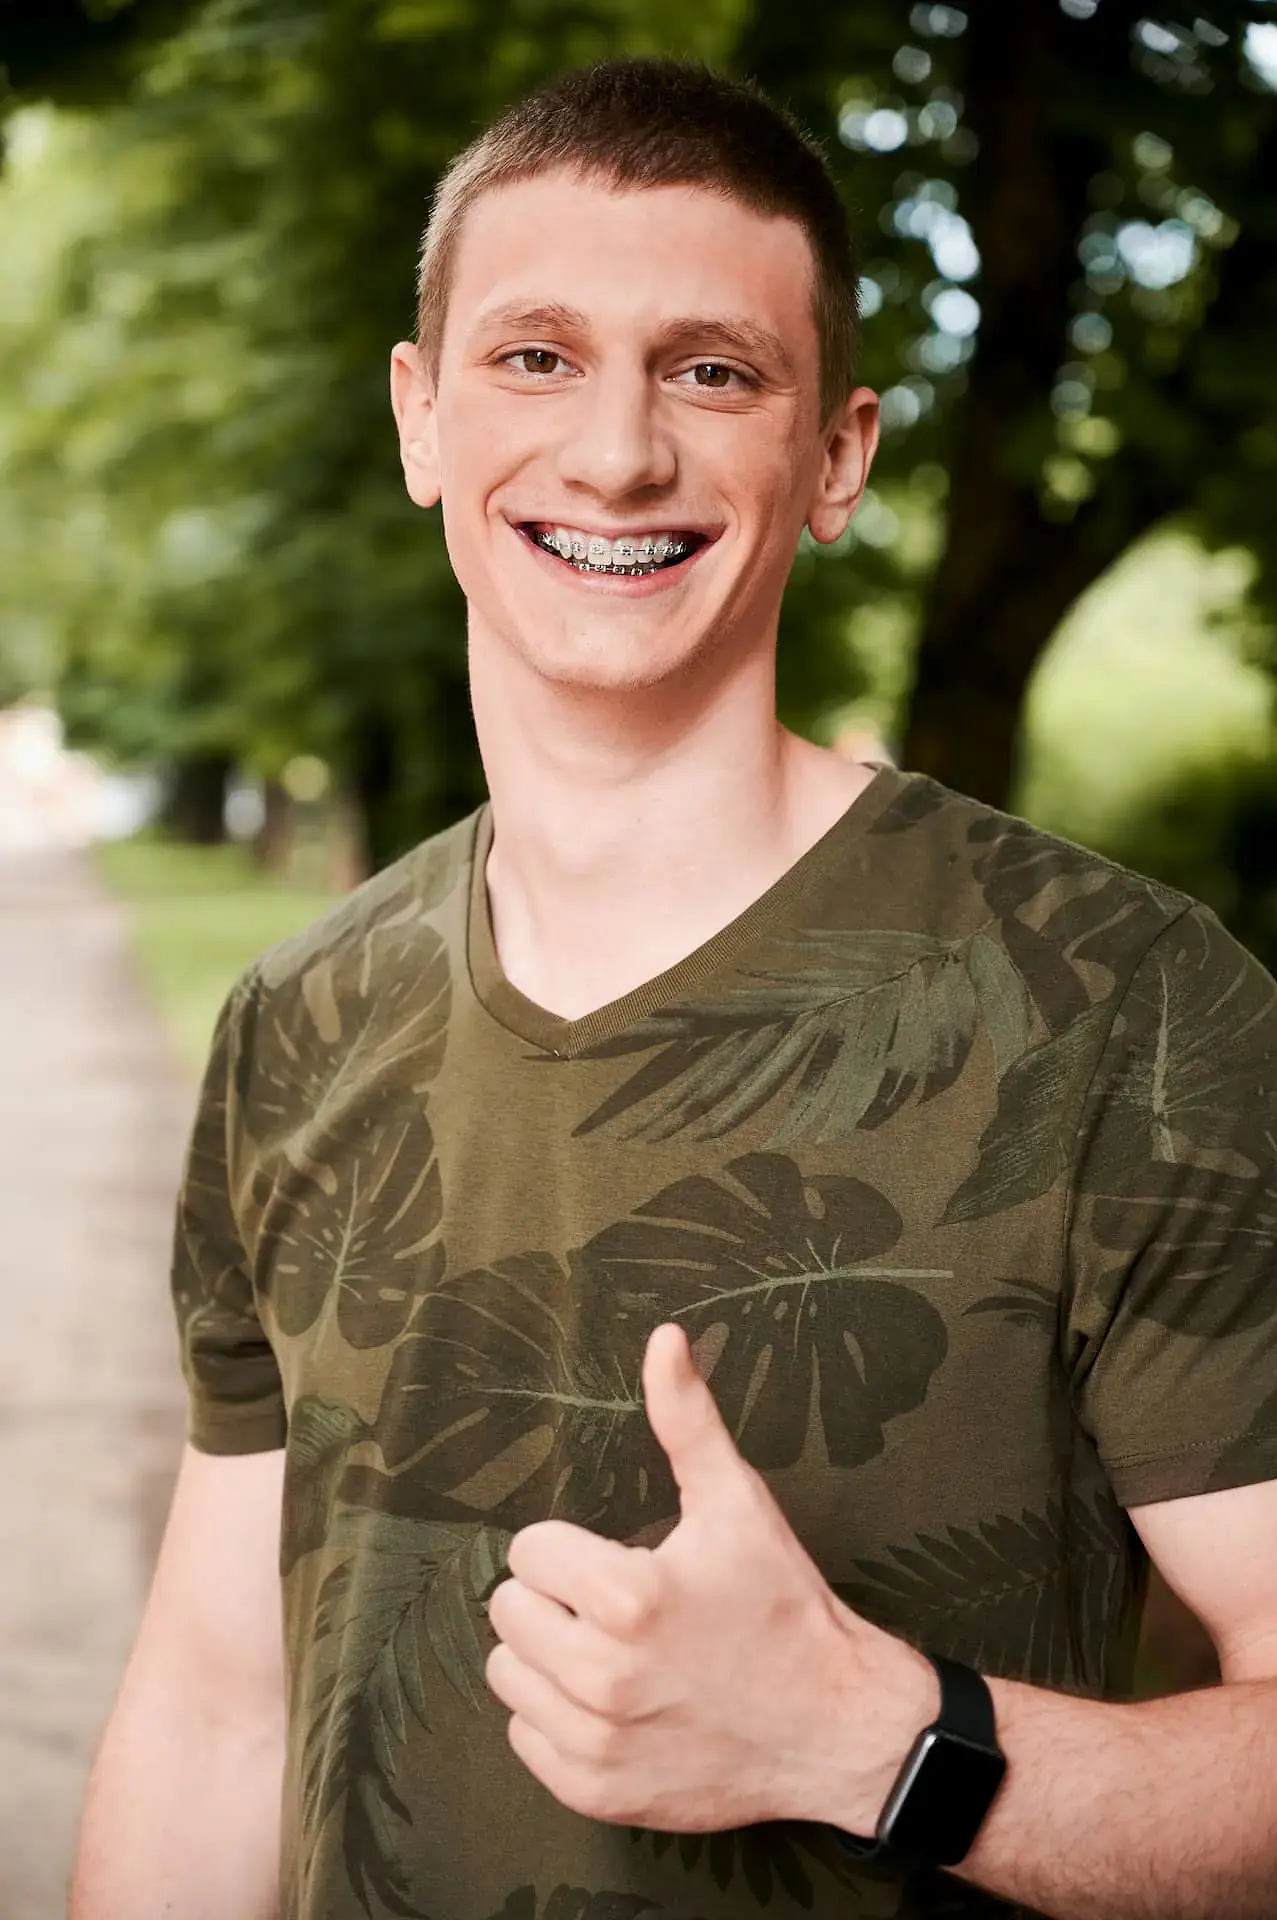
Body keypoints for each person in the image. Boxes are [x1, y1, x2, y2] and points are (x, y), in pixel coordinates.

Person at [70, 57, 1277, 1920]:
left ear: (842, 457)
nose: (618, 453)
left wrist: (879, 1743)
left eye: (711, 371)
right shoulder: (293, 1028)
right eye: (534, 357)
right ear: (419, 419)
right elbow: (223, 1712)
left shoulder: (1126, 1008)